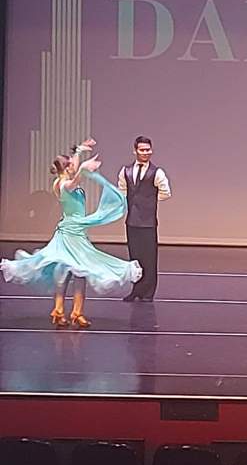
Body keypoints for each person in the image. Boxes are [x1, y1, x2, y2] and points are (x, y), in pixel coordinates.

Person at [1, 140, 142, 327]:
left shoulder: (63, 181)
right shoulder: (64, 184)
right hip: (70, 234)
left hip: (74, 231)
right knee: (77, 271)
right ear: (67, 168)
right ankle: (70, 312)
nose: (74, 166)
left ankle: (64, 311)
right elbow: (76, 178)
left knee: (69, 271)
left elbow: (76, 170)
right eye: (71, 165)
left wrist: (79, 151)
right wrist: (83, 167)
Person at [118, 136, 171, 302]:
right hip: (132, 221)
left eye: (148, 150)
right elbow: (122, 191)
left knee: (149, 258)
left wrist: (148, 202)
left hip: (148, 222)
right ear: (135, 151)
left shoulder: (157, 172)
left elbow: (166, 192)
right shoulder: (126, 171)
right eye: (142, 150)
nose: (146, 153)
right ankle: (136, 290)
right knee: (135, 257)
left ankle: (148, 292)